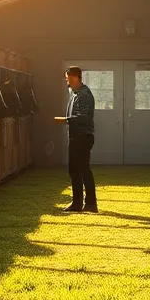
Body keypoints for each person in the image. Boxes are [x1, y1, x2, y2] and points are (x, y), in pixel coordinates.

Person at [54, 66, 97, 212]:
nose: (67, 83)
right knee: (76, 170)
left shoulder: (82, 95)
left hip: (81, 136)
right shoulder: (77, 94)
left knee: (82, 169)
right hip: (77, 136)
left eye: (68, 79)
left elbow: (82, 117)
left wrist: (64, 120)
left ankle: (87, 203)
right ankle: (80, 203)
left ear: (74, 77)